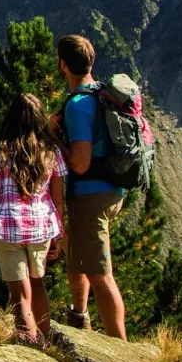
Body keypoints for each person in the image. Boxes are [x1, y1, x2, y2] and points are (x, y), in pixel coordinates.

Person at [0, 93, 68, 342]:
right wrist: (60, 232)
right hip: (41, 225)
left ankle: (29, 344)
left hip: (8, 225)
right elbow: (58, 197)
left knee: (20, 295)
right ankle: (45, 343)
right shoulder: (50, 151)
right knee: (38, 284)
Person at [55, 33, 128, 340]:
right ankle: (79, 316)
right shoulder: (102, 95)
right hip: (112, 190)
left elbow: (80, 163)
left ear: (62, 65)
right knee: (75, 247)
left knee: (100, 274)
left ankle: (120, 349)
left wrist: (55, 136)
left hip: (90, 196)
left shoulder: (79, 105)